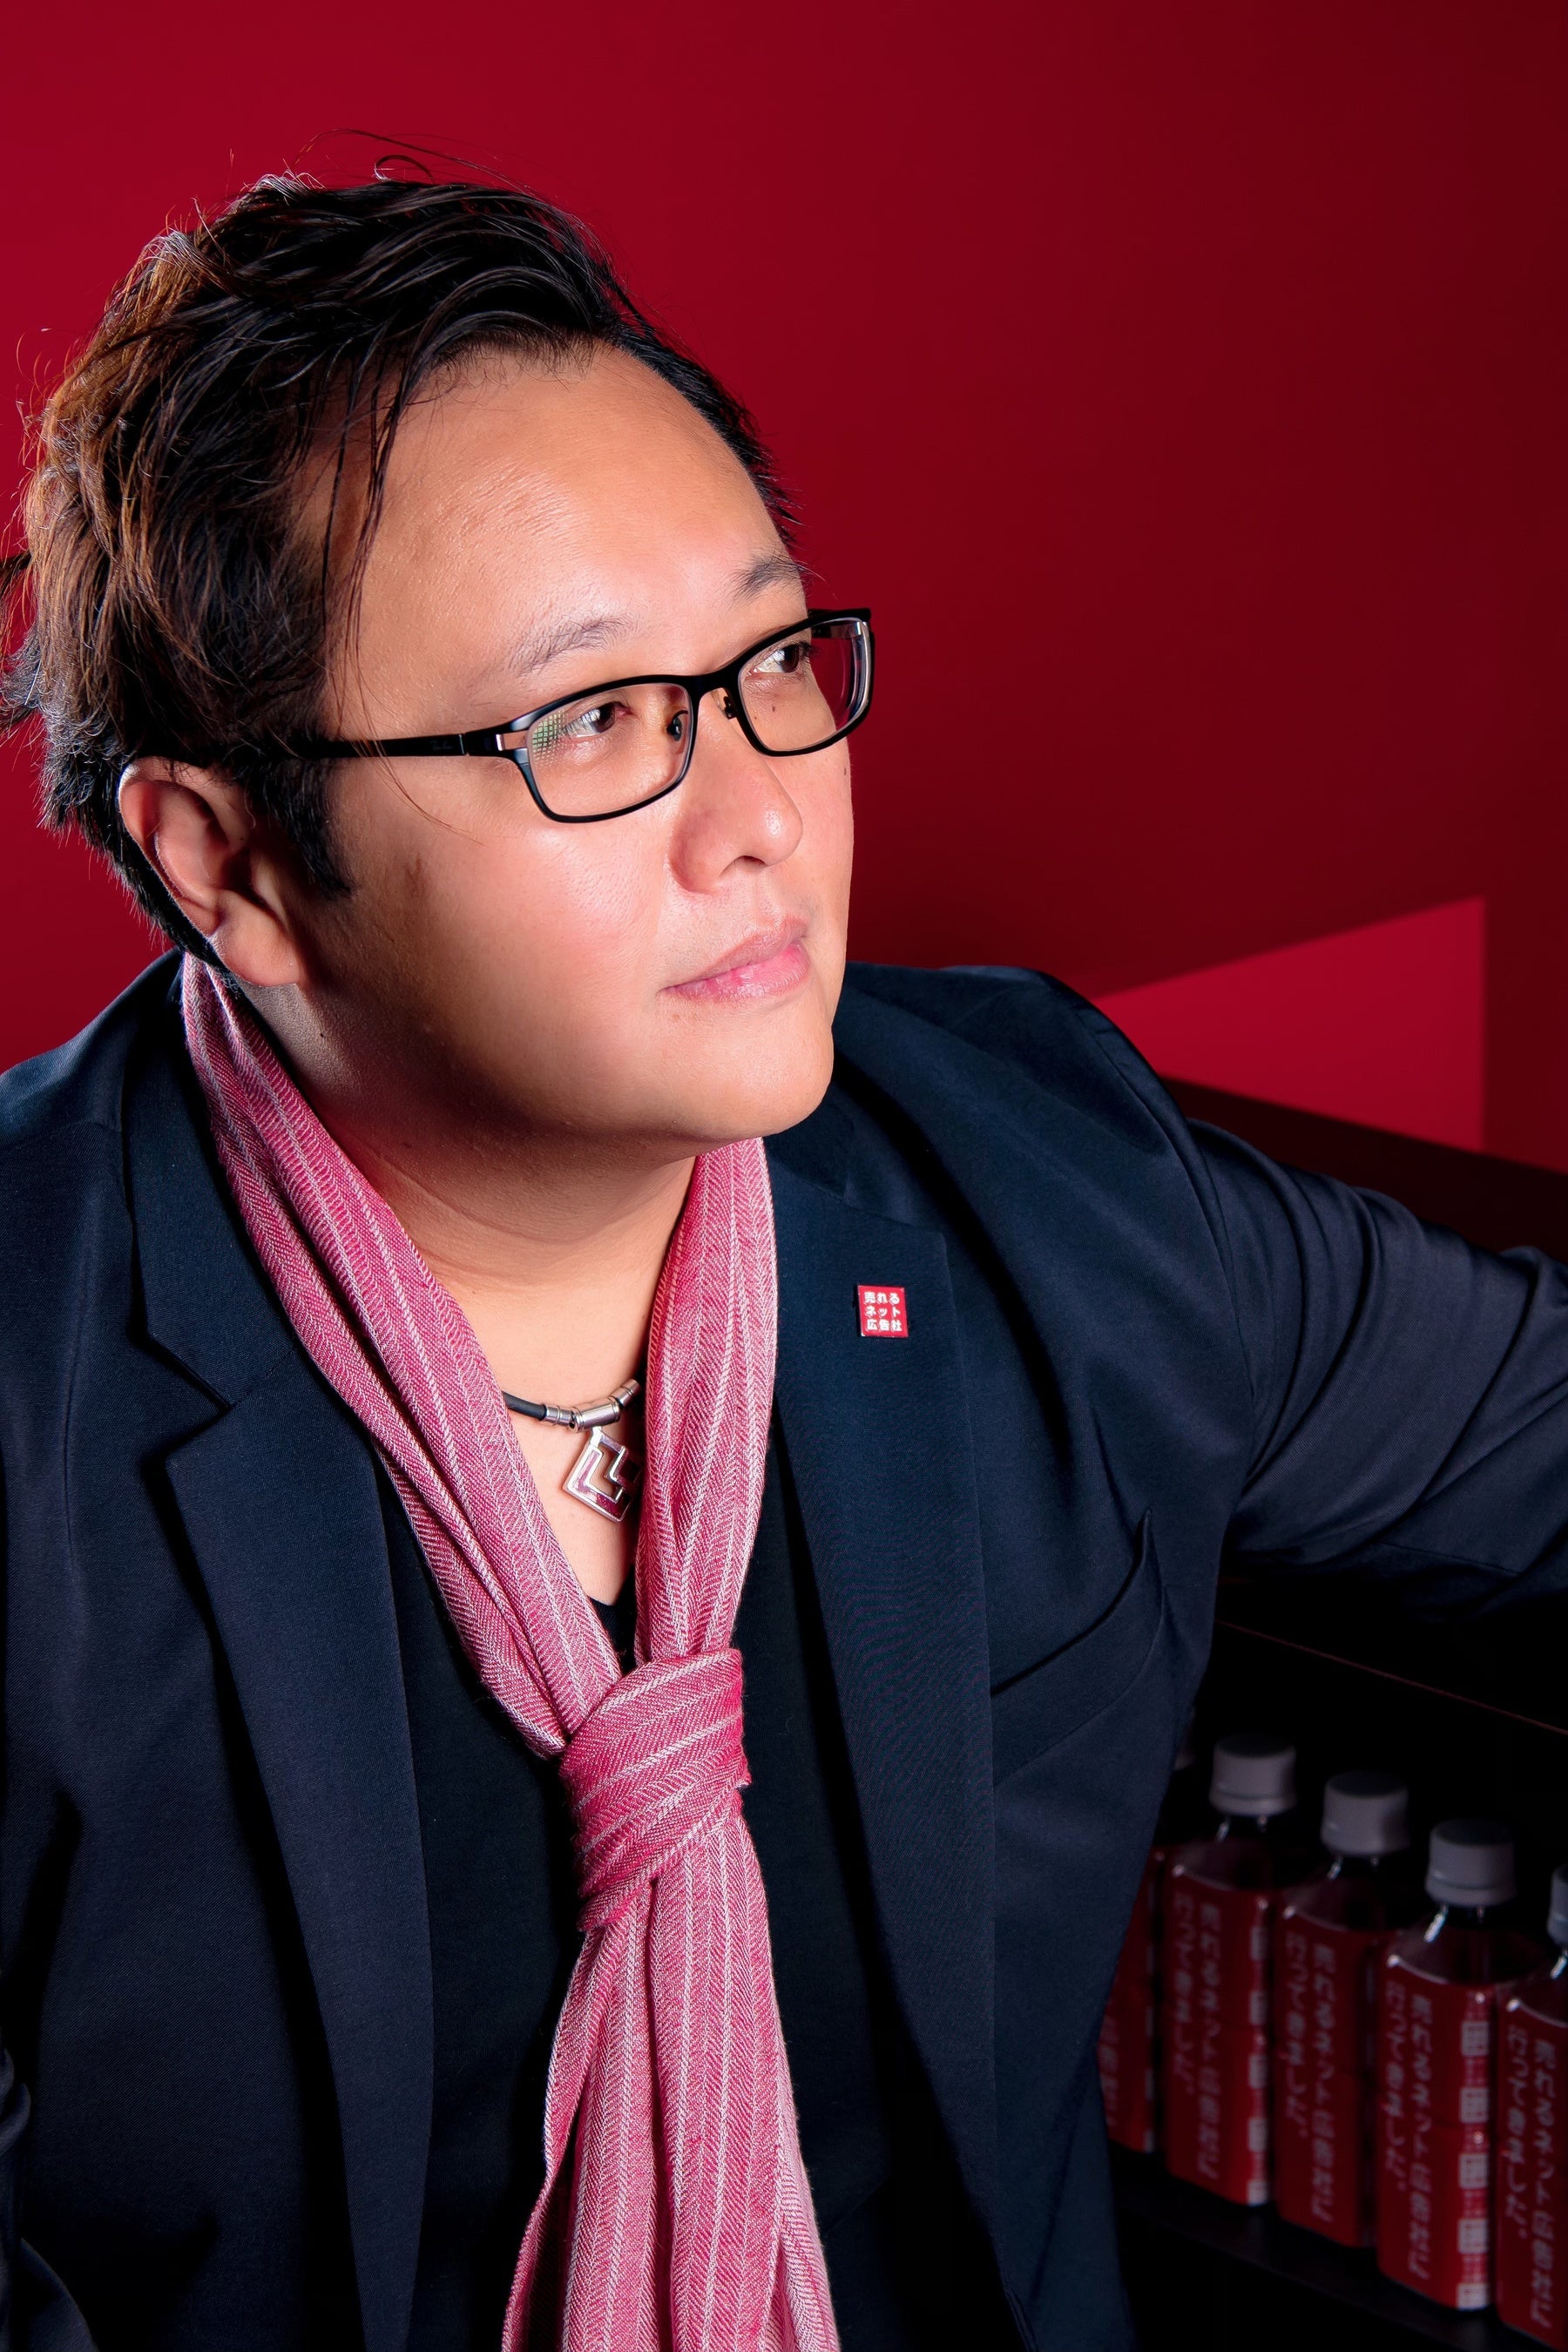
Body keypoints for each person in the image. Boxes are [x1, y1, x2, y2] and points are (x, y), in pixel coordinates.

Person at [3, 172, 1567, 2352]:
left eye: (767, 666)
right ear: (234, 863)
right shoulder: (36, 1393)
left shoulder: (1039, 1182)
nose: (759, 817)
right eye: (590, 721)